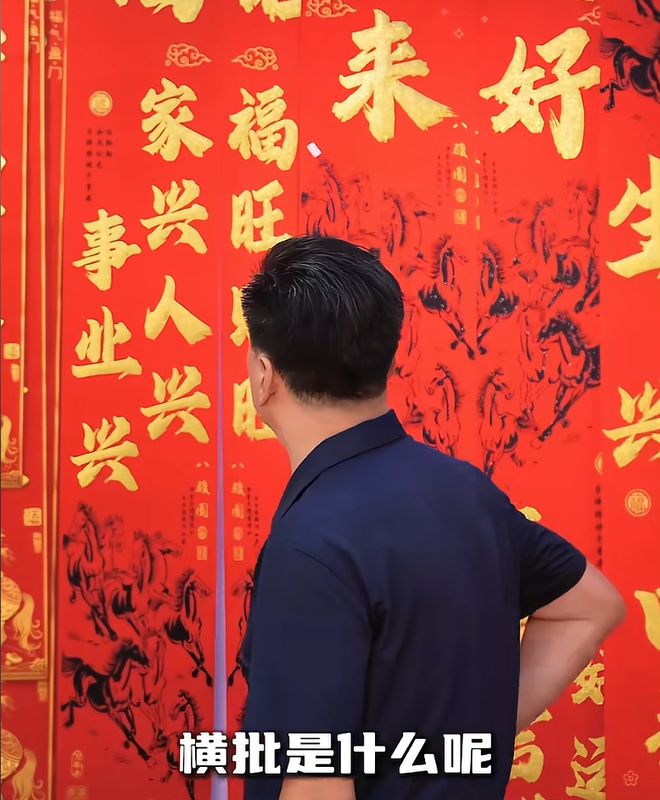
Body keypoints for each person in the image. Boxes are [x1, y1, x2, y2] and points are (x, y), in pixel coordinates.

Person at [238, 235, 625, 800]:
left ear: (264, 374)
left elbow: (314, 784)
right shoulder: (468, 492)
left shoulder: (309, 544)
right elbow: (591, 605)